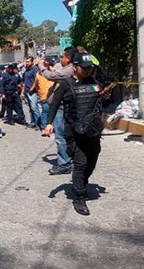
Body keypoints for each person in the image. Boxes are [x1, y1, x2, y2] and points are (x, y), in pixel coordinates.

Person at [45, 52, 111, 216]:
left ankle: (81, 182)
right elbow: (54, 104)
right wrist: (49, 123)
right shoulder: (66, 84)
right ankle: (79, 197)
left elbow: (103, 101)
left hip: (92, 131)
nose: (88, 71)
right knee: (80, 163)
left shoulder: (95, 83)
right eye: (84, 68)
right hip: (74, 132)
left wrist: (105, 96)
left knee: (92, 161)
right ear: (75, 67)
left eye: (90, 68)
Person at [40, 47, 75, 175]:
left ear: (69, 58)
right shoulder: (66, 68)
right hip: (60, 107)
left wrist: (42, 67)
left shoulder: (70, 70)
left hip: (61, 107)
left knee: (60, 136)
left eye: (63, 57)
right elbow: (55, 72)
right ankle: (68, 160)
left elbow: (52, 76)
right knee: (64, 135)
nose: (61, 59)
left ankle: (64, 163)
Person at [30, 59, 54, 136]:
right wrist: (39, 93)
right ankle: (44, 128)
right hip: (44, 96)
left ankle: (52, 127)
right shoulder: (38, 74)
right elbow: (36, 85)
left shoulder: (52, 73)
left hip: (53, 96)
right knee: (45, 112)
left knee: (53, 113)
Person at [22, 56, 40, 129]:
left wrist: (32, 88)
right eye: (26, 61)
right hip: (27, 91)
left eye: (28, 61)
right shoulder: (26, 70)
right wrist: (22, 92)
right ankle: (33, 122)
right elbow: (25, 82)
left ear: (32, 62)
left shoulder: (35, 69)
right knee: (30, 109)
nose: (27, 63)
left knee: (34, 108)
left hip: (33, 92)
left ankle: (38, 124)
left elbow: (37, 79)